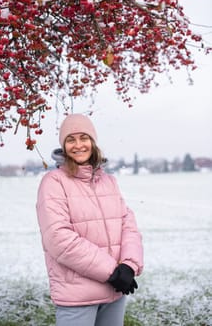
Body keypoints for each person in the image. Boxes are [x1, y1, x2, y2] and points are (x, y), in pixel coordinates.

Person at [36, 113, 144, 326]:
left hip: (114, 292)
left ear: (93, 142)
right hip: (77, 297)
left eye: (84, 137)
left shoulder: (108, 181)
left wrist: (129, 266)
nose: (78, 145)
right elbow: (59, 239)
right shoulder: (53, 182)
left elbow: (127, 224)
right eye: (70, 139)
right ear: (63, 146)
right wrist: (111, 272)